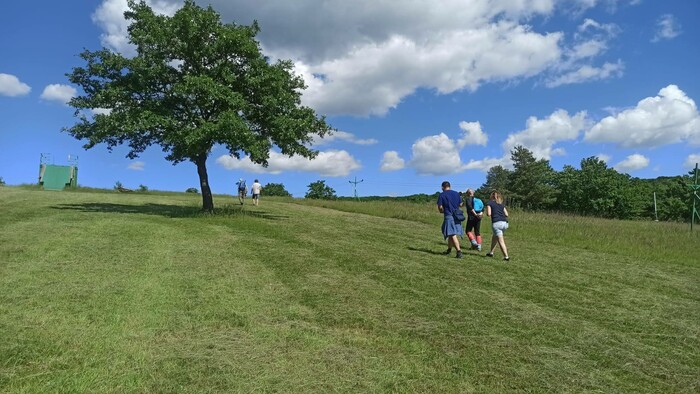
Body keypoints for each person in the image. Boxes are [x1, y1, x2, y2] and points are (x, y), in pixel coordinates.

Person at [437, 181, 464, 258]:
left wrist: (441, 211)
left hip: (449, 215)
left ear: (442, 187)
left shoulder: (442, 195)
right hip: (457, 215)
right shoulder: (456, 194)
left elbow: (440, 206)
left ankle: (459, 252)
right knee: (450, 233)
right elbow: (461, 204)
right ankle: (449, 249)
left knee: (452, 234)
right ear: (450, 186)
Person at [485, 191, 510, 261]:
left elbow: (489, 214)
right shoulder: (501, 205)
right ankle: (491, 252)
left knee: (500, 241)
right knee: (494, 237)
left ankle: (506, 257)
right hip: (505, 223)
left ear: (491, 196)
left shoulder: (489, 203)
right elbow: (507, 214)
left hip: (497, 223)